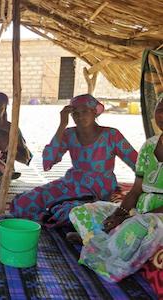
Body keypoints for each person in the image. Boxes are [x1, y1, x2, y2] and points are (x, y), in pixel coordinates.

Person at [67, 99, 163, 283]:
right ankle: (106, 243)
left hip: (156, 217)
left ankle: (99, 248)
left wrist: (131, 219)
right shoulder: (149, 146)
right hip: (139, 211)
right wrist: (120, 213)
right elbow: (135, 190)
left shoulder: (111, 135)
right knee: (82, 212)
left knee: (139, 226)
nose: (162, 114)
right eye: (160, 108)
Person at [11, 94, 138, 227]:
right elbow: (48, 161)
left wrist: (139, 190)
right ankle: (53, 213)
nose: (80, 116)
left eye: (85, 111)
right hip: (71, 184)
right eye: (75, 113)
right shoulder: (68, 134)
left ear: (94, 112)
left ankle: (54, 213)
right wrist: (62, 125)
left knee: (74, 213)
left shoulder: (111, 135)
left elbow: (137, 163)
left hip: (98, 190)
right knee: (23, 202)